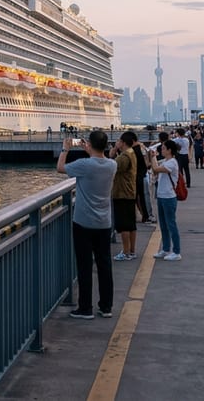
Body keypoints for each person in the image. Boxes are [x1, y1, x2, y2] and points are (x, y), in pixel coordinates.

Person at [57, 130, 116, 318]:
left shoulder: (84, 165)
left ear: (90, 144)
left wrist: (65, 149)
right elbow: (97, 162)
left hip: (83, 222)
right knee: (104, 264)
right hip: (104, 222)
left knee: (84, 266)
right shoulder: (112, 165)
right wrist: (89, 149)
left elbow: (60, 168)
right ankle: (106, 307)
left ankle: (85, 308)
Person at [146, 139, 183, 261]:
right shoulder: (166, 161)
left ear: (169, 150)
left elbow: (156, 169)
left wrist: (153, 156)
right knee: (163, 225)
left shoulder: (172, 162)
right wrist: (152, 157)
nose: (161, 150)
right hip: (161, 196)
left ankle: (176, 251)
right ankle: (166, 249)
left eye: (163, 148)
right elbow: (153, 168)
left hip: (169, 196)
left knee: (171, 224)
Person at [108, 131, 139, 261]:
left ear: (123, 143)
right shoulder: (131, 153)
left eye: (119, 141)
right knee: (131, 225)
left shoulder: (124, 156)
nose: (117, 142)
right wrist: (115, 150)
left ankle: (126, 252)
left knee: (124, 225)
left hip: (122, 193)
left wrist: (114, 149)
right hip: (130, 193)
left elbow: (111, 166)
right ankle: (131, 251)